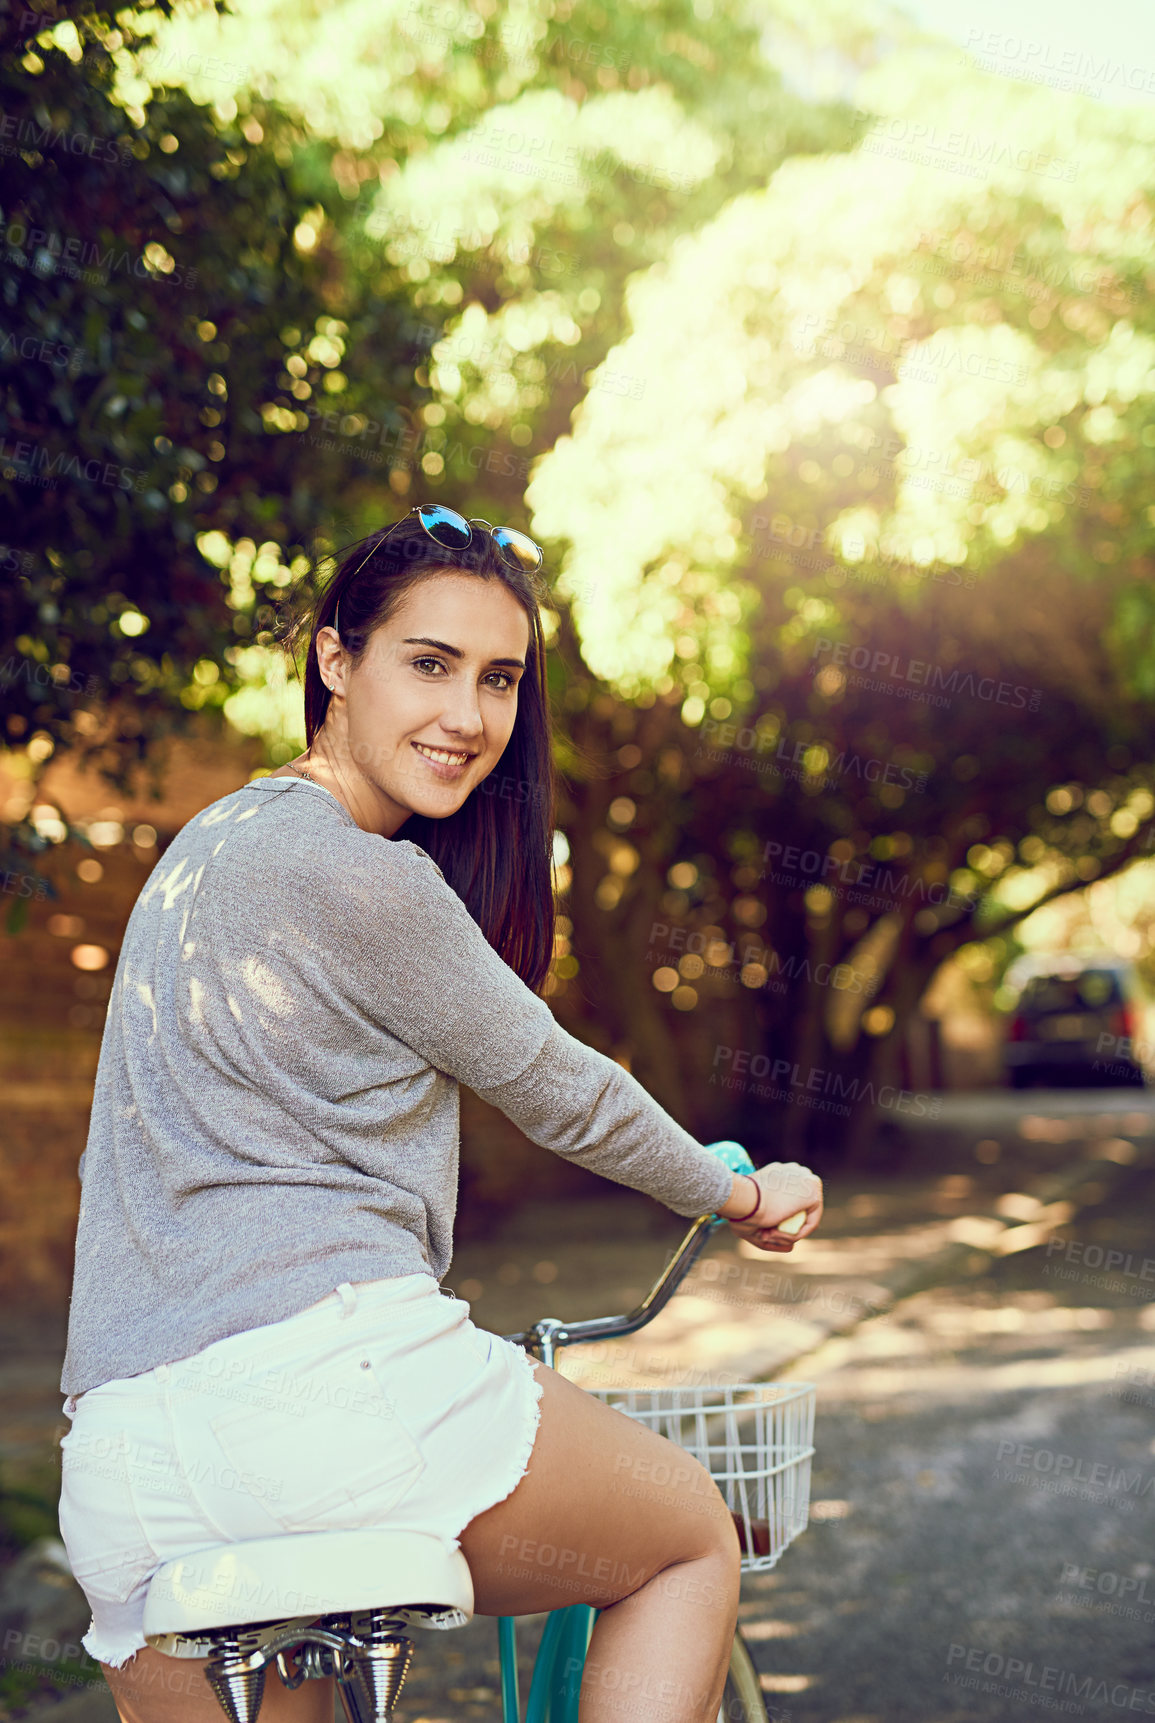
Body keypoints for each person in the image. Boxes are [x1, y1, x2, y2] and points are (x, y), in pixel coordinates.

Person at [57, 504, 824, 1723]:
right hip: (336, 1390)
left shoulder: (202, 853)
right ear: (333, 661)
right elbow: (559, 1086)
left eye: (500, 679)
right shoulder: (365, 874)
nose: (468, 717)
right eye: (429, 664)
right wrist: (737, 1192)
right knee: (687, 1536)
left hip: (126, 1468)